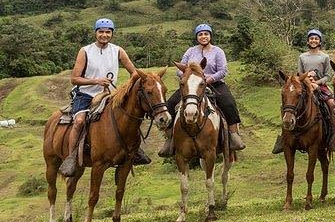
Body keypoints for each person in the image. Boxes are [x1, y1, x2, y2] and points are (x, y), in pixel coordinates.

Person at [59, 18, 150, 176]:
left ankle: (134, 150)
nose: (104, 35)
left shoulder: (118, 51)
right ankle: (71, 157)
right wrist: (96, 80)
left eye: (108, 32)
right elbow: (74, 78)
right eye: (101, 32)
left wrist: (125, 87)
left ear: (112, 34)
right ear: (95, 33)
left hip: (110, 94)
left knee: (129, 117)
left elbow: (134, 72)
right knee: (79, 121)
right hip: (86, 94)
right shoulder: (85, 51)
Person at [159, 23, 245, 157]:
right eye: (200, 34)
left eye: (206, 34)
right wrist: (188, 77)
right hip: (192, 85)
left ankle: (234, 136)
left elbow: (223, 70)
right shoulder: (190, 51)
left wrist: (209, 79)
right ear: (196, 37)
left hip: (213, 83)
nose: (203, 36)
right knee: (169, 104)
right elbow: (179, 69)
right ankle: (170, 139)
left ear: (210, 36)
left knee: (229, 103)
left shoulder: (218, 51)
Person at [272, 29, 335, 154]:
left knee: (332, 104)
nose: (314, 40)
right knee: (286, 106)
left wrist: (317, 83)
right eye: (311, 38)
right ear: (308, 41)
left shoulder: (325, 57)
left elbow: (327, 75)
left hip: (320, 87)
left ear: (320, 41)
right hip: (304, 86)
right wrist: (306, 80)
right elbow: (299, 73)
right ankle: (284, 136)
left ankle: (333, 137)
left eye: (316, 38)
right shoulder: (302, 56)